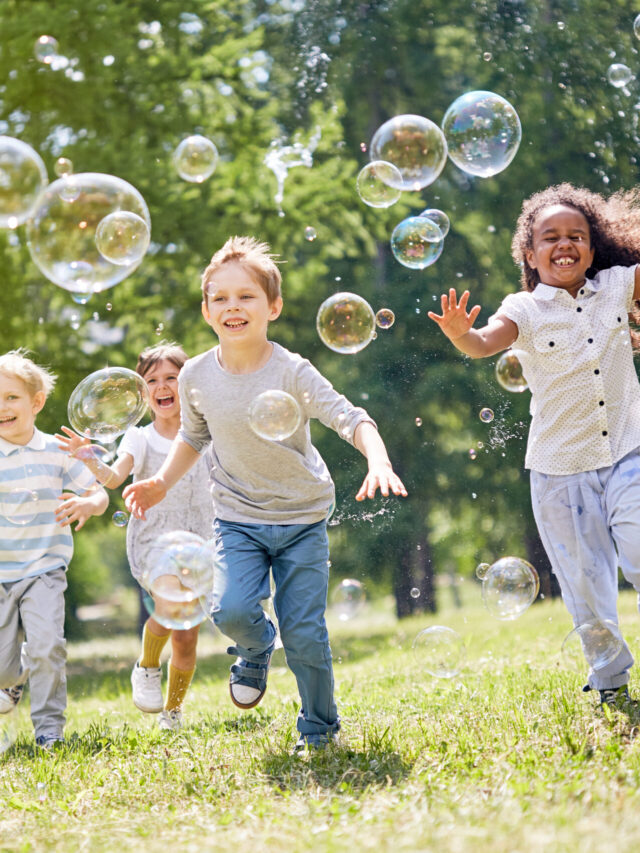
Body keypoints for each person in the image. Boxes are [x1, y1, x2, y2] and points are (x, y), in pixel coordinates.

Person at [123, 236, 407, 751]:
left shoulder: (291, 370)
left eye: (246, 296)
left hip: (302, 517)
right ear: (207, 311)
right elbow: (193, 436)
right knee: (229, 611)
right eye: (221, 298)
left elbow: (350, 417)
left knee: (305, 636)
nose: (233, 306)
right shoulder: (195, 375)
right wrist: (161, 482)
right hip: (237, 517)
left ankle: (319, 729)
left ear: (272, 306)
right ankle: (254, 648)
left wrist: (378, 459)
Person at [428, 182, 640, 708]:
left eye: (577, 236)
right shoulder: (523, 308)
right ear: (530, 252)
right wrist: (460, 334)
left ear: (593, 249)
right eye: (550, 237)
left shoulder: (617, 285)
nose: (564, 244)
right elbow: (483, 343)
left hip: (629, 452)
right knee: (585, 587)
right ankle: (610, 682)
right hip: (558, 469)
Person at [56, 342, 213, 732]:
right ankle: (146, 666)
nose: (162, 387)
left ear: (188, 383)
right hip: (155, 539)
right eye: (152, 381)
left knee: (187, 638)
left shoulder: (209, 431)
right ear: (143, 393)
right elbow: (114, 478)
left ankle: (173, 711)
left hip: (203, 541)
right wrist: (90, 459)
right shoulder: (139, 439)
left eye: (171, 378)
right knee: (169, 606)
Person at [0, 349, 108, 748]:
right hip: (0, 572)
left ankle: (49, 731)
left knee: (48, 647)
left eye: (11, 397)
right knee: (3, 671)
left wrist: (88, 503)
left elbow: (98, 494)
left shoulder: (57, 451)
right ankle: (15, 678)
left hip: (44, 569)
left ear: (36, 401)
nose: (2, 407)